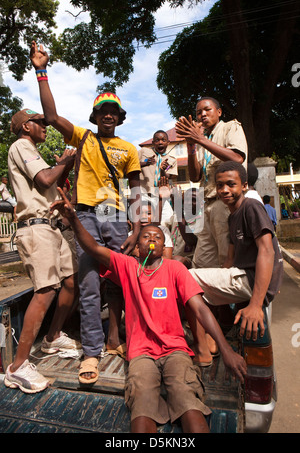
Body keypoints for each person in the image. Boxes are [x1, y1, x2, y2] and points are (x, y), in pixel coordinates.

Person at [50, 186, 247, 433]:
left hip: (176, 351)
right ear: (137, 245)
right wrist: (75, 218)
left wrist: (226, 350)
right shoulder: (128, 266)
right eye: (146, 236)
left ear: (165, 245)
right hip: (141, 355)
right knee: (141, 408)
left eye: (157, 236)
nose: (152, 238)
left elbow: (200, 309)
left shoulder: (175, 269)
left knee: (189, 404)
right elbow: (92, 248)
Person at [30, 41, 141, 384]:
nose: (108, 114)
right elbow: (50, 116)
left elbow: (136, 191)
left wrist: (137, 229)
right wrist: (41, 70)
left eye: (113, 110)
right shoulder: (83, 138)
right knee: (90, 284)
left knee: (123, 283)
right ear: (95, 117)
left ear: (120, 118)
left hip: (117, 216)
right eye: (102, 110)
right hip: (87, 215)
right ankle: (92, 352)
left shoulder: (129, 149)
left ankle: (119, 339)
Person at [4, 109, 80, 394]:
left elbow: (53, 182)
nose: (46, 127)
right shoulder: (21, 146)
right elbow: (46, 180)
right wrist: (66, 162)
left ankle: (51, 337)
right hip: (36, 227)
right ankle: (18, 367)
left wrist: (64, 166)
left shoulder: (35, 152)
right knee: (46, 289)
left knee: (71, 281)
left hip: (53, 227)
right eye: (40, 123)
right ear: (26, 126)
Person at [175, 97, 248, 365]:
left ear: (219, 112)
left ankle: (224, 330)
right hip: (204, 205)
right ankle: (212, 330)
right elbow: (194, 177)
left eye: (207, 110)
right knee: (201, 269)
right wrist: (192, 145)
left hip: (225, 204)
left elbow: (237, 159)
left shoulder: (230, 129)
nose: (202, 114)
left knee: (225, 267)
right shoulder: (200, 138)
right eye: (198, 112)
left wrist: (201, 139)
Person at [189, 161, 283, 353]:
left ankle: (204, 346)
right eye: (220, 185)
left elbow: (267, 251)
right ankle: (220, 327)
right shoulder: (232, 217)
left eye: (231, 184)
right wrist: (214, 285)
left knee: (186, 279)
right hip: (242, 276)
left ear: (245, 185)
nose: (224, 190)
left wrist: (256, 304)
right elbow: (229, 260)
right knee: (202, 281)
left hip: (250, 279)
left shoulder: (251, 207)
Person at [139, 130, 177, 226]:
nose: (160, 142)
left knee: (167, 222)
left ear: (168, 142)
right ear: (153, 143)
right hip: (144, 195)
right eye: (157, 140)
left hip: (161, 197)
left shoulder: (171, 160)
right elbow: (131, 166)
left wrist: (162, 170)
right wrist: (145, 163)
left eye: (163, 140)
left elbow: (169, 177)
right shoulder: (143, 152)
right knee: (145, 224)